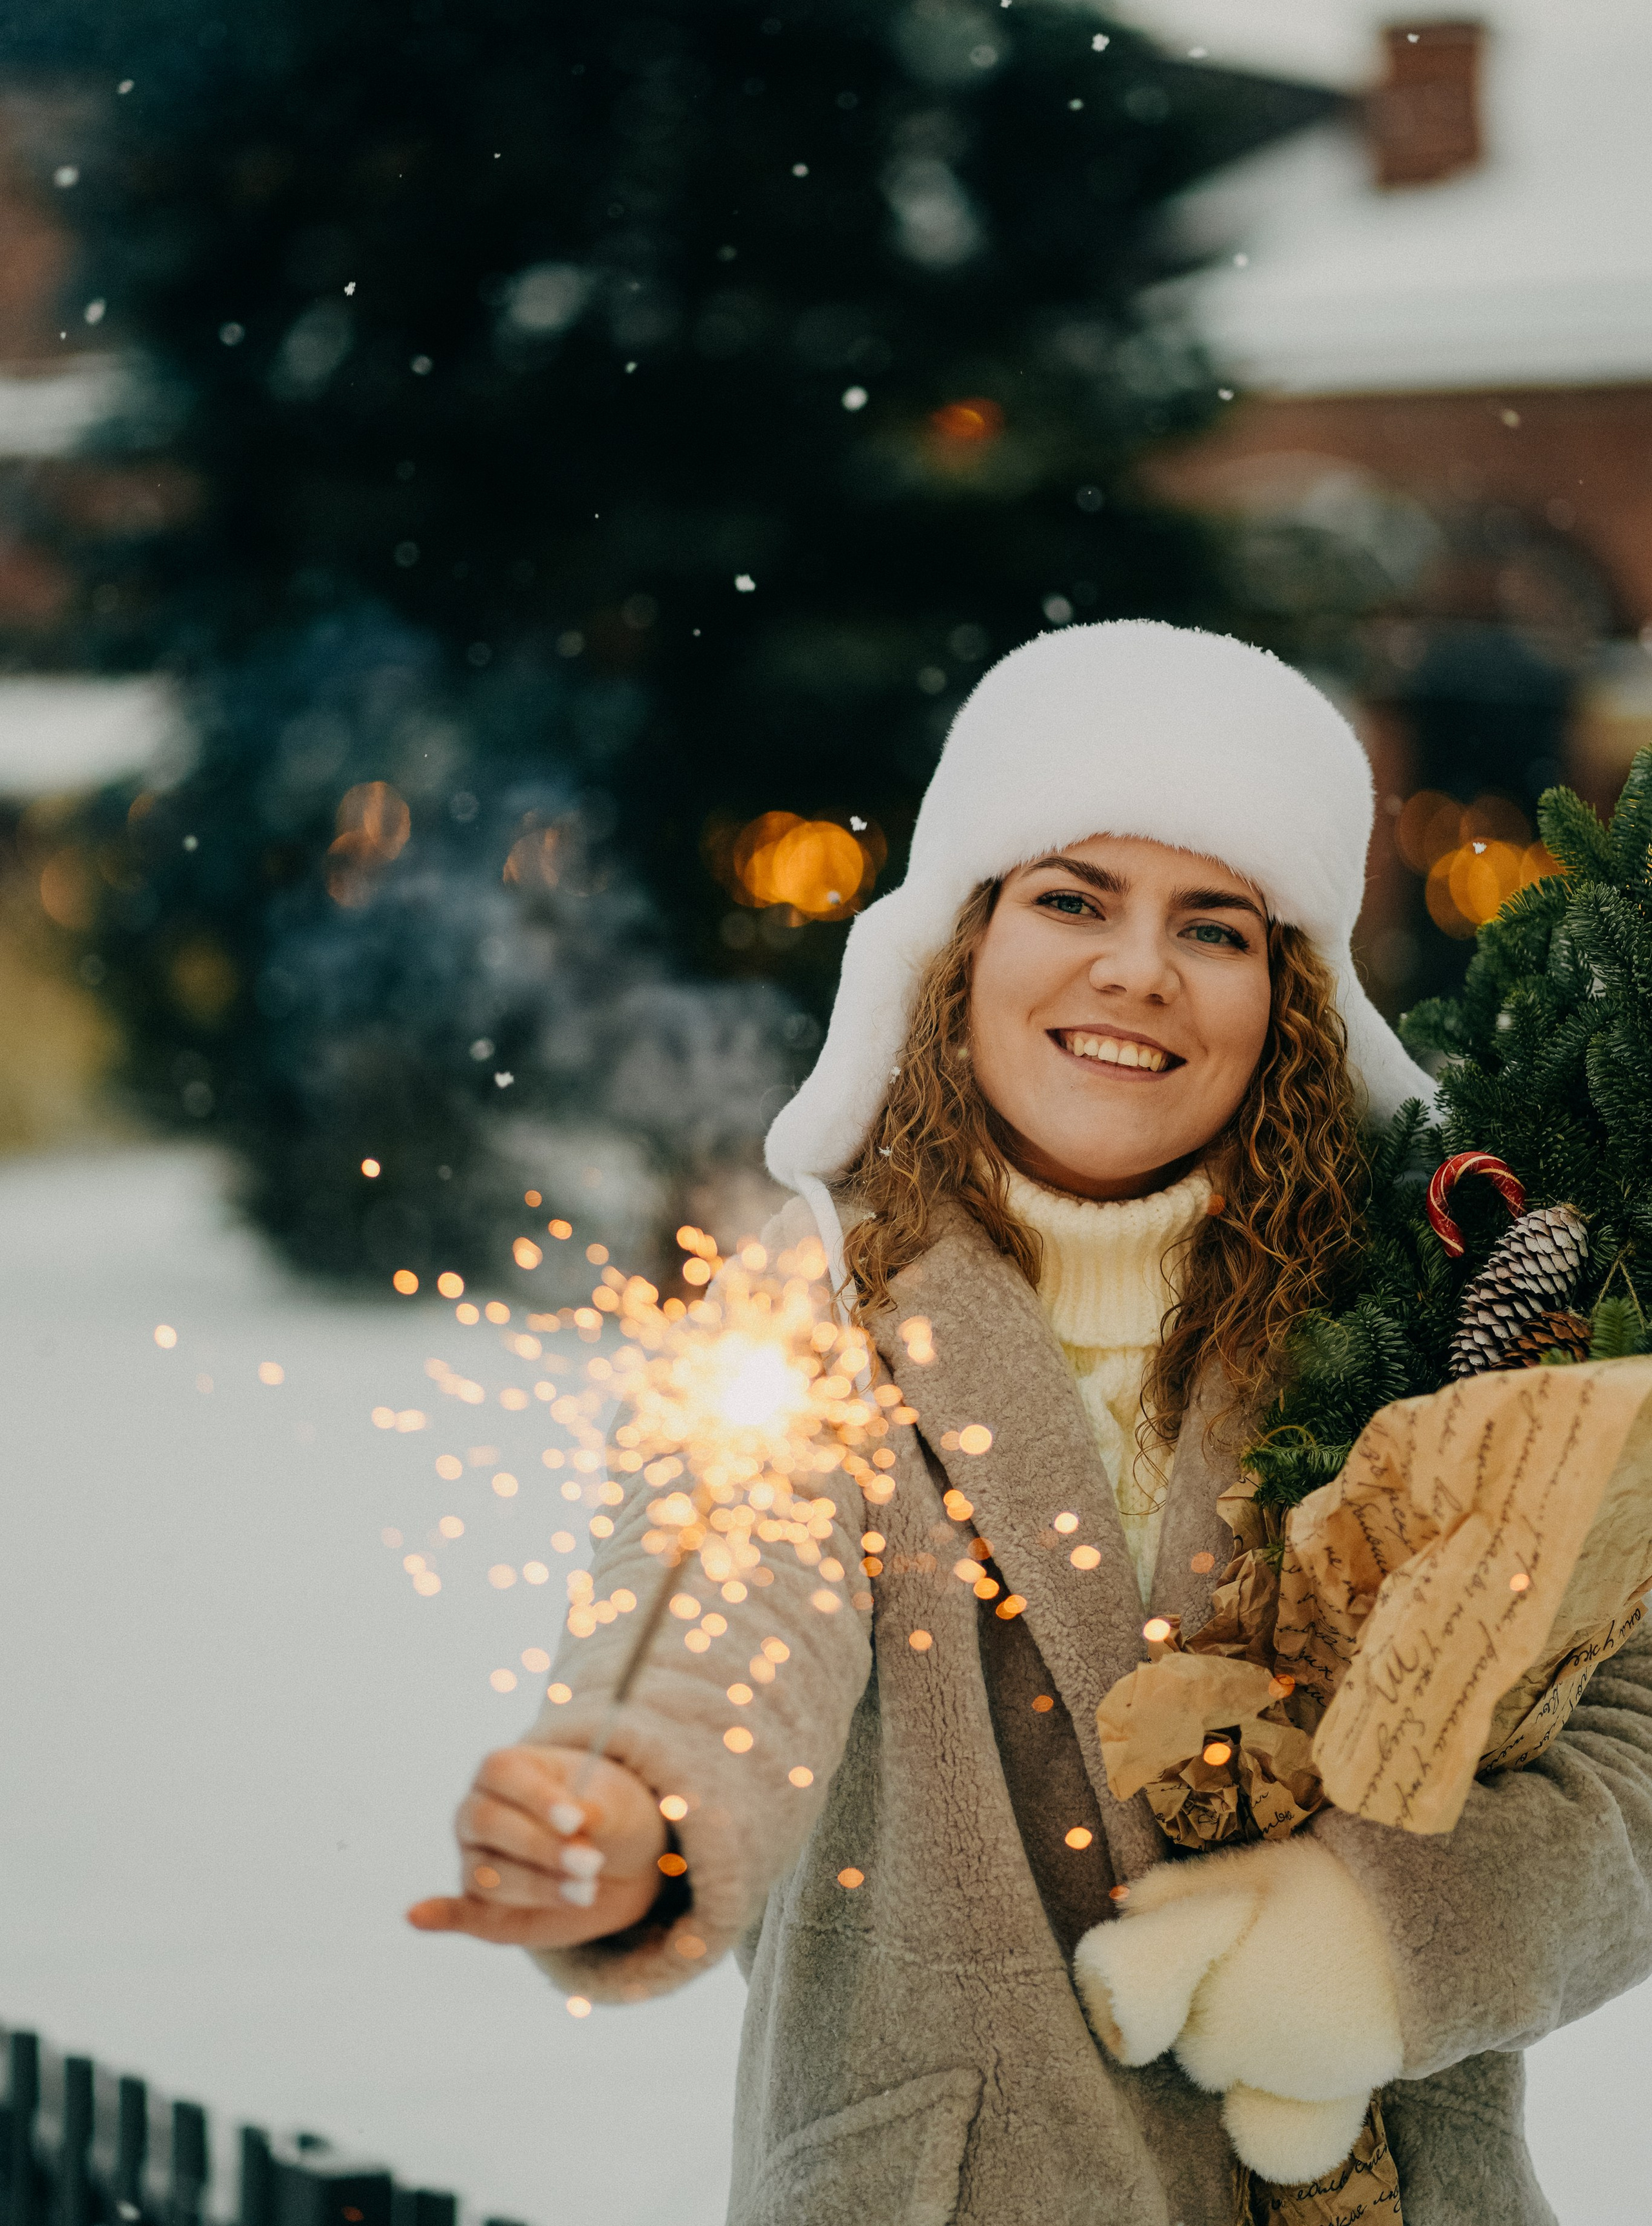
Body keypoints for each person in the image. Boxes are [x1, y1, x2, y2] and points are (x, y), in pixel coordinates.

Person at [410, 622, 1652, 2225]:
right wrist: (635, 1806)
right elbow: (728, 1598)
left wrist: (1383, 1947)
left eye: (1213, 927)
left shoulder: (1444, 1321)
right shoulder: (821, 1308)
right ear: (959, 941)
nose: (1134, 968)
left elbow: (1626, 1743)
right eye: (1070, 897)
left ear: (1289, 994)